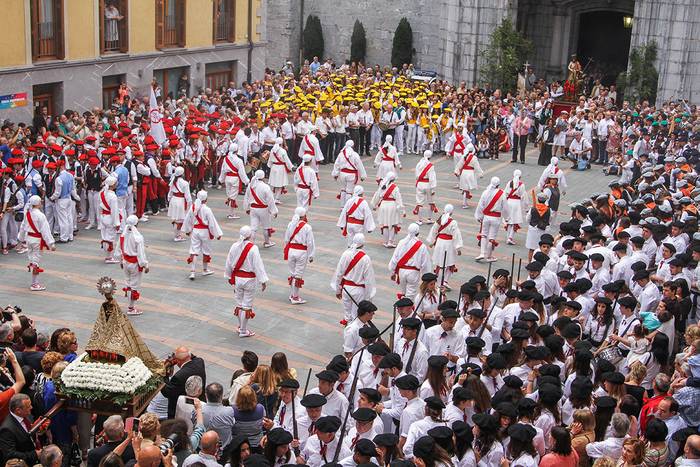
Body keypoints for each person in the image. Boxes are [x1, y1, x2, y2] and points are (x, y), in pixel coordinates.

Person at [225, 226, 269, 338]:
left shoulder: (234, 246)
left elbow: (229, 262)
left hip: (238, 279)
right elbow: (258, 265)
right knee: (247, 305)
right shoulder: (253, 248)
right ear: (250, 235)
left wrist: (229, 275)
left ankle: (240, 327)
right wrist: (263, 280)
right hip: (249, 279)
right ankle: (243, 330)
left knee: (239, 304)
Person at [331, 233, 376, 325]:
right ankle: (354, 334)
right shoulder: (366, 258)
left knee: (347, 313)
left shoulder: (345, 254)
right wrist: (368, 298)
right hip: (359, 290)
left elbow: (339, 273)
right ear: (363, 244)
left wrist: (338, 290)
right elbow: (368, 280)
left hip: (346, 288)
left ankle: (347, 329)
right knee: (356, 315)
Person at [17, 195, 55, 291]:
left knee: (32, 259)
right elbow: (45, 230)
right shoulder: (41, 215)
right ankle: (35, 284)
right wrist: (51, 243)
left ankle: (34, 282)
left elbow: (22, 227)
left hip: (28, 239)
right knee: (36, 261)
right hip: (37, 240)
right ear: (38, 203)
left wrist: (20, 239)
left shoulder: (28, 214)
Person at [182, 191, 222, 280]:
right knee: (206, 250)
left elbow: (188, 219)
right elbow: (212, 223)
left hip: (195, 231)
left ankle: (192, 272)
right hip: (205, 232)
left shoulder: (193, 208)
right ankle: (205, 269)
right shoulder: (207, 209)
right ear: (206, 199)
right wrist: (217, 234)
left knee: (194, 250)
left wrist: (188, 230)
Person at [161, 346, 207, 419]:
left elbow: (167, 392)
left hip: (181, 410)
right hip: (200, 404)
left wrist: (164, 373)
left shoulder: (178, 376)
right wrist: (184, 354)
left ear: (177, 361)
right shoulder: (200, 362)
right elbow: (193, 357)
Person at [389, 223, 432, 300]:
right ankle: (407, 310)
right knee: (410, 296)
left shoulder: (401, 242)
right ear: (418, 233)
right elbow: (425, 264)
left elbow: (395, 258)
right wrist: (426, 278)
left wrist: (393, 272)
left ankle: (402, 308)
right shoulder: (422, 246)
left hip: (401, 271)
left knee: (403, 292)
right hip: (413, 273)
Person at [283, 206, 315, 304]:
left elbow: (286, 239)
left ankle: (293, 294)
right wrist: (311, 255)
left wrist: (285, 250)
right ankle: (295, 297)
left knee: (292, 273)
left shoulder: (290, 224)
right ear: (304, 215)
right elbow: (310, 242)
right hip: (301, 252)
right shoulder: (307, 227)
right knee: (298, 275)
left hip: (291, 250)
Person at [426, 204, 463, 290]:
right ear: (452, 212)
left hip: (439, 243)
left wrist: (432, 242)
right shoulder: (453, 222)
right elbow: (456, 235)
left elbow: (434, 231)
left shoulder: (439, 220)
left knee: (440, 263)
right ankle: (445, 281)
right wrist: (458, 248)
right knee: (450, 263)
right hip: (449, 244)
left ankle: (439, 283)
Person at [119, 215, 149, 316]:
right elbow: (141, 254)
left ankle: (130, 306)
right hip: (134, 264)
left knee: (128, 283)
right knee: (134, 285)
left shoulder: (123, 234)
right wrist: (145, 264)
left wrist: (121, 260)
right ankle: (131, 308)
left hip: (125, 262)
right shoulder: (138, 237)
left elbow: (120, 248)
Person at [0, 394, 40, 466]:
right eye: (28, 407)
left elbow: (29, 434)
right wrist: (34, 454)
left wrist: (39, 430)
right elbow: (10, 454)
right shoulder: (6, 429)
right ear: (18, 410)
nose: (31, 407)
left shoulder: (27, 415)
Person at [244, 170, 278, 248]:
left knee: (253, 227)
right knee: (266, 226)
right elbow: (270, 200)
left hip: (253, 208)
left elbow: (246, 197)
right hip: (264, 209)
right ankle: (267, 242)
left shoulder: (251, 185)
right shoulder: (265, 187)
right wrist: (274, 211)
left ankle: (251, 243)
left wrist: (246, 207)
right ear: (263, 177)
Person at [475, 177, 506, 262]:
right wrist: (506, 218)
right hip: (496, 218)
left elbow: (480, 205)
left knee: (484, 235)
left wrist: (479, 216)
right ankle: (488, 256)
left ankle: (482, 253)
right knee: (492, 237)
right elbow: (505, 207)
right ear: (498, 184)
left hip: (486, 217)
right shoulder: (502, 193)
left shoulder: (485, 192)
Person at [371, 172, 405, 248]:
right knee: (392, 224)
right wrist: (402, 209)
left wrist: (375, 205)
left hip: (383, 205)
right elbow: (399, 199)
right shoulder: (395, 187)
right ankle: (390, 242)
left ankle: (385, 242)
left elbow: (377, 196)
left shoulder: (382, 186)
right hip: (392, 205)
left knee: (385, 224)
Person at [332, 140, 366, 206]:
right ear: (352, 146)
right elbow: (359, 165)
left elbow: (337, 164)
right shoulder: (355, 154)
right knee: (349, 191)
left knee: (343, 190)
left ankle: (342, 206)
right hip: (351, 175)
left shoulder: (341, 154)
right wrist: (363, 176)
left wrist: (335, 174)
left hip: (342, 174)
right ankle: (347, 207)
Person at [218, 146, 249, 219]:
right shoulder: (239, 160)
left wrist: (221, 179)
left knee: (229, 195)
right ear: (236, 150)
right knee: (232, 197)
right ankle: (231, 214)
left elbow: (223, 170)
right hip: (235, 179)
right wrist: (246, 181)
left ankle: (231, 213)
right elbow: (242, 172)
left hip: (227, 178)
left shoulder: (226, 159)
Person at [98, 176, 121, 264]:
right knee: (110, 238)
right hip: (110, 218)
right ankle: (109, 257)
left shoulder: (102, 193)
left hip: (103, 217)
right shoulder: (113, 196)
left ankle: (107, 256)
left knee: (104, 237)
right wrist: (117, 223)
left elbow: (99, 207)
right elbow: (114, 211)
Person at [167, 166, 192, 242]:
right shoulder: (185, 183)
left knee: (176, 218)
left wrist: (169, 200)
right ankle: (177, 236)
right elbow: (188, 196)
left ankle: (177, 234)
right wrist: (189, 205)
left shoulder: (173, 180)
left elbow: (170, 193)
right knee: (180, 220)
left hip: (173, 200)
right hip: (180, 201)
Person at [414, 150, 438, 225]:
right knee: (431, 202)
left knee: (419, 202)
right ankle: (429, 219)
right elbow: (432, 178)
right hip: (428, 184)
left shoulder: (419, 164)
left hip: (420, 184)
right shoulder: (430, 166)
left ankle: (420, 220)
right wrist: (433, 188)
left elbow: (416, 175)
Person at [266, 138, 294, 204]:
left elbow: (270, 160)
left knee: (273, 184)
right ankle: (276, 198)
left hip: (274, 167)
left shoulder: (272, 150)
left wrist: (269, 165)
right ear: (281, 143)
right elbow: (287, 160)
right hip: (280, 168)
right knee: (280, 184)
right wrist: (291, 167)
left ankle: (271, 198)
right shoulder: (283, 151)